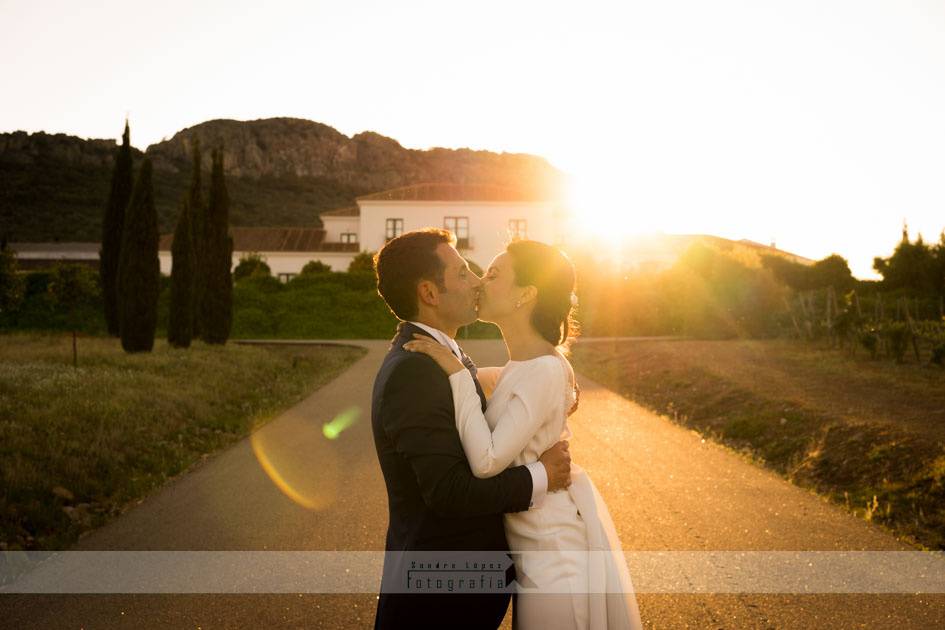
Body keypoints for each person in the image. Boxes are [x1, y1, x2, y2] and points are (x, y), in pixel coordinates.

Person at [404, 239, 644, 629]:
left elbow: (486, 462)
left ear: (526, 295)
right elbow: (507, 385)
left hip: (553, 560)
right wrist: (457, 371)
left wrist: (455, 374)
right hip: (533, 556)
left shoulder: (544, 370)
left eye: (494, 274)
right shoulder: (525, 366)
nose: (480, 281)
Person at [370, 228, 574, 630]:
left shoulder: (442, 356)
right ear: (429, 293)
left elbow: (517, 381)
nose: (477, 280)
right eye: (463, 273)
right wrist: (542, 475)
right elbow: (449, 492)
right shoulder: (415, 370)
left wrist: (559, 384)